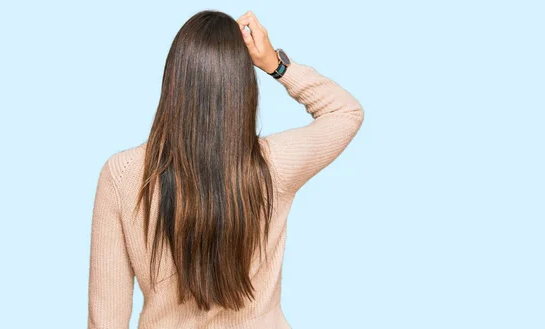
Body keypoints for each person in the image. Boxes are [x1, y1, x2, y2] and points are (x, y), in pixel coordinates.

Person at [87, 9, 364, 329]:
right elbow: (345, 113)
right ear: (243, 89)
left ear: (174, 79)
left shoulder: (123, 174)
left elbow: (106, 317)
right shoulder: (273, 165)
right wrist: (275, 64)